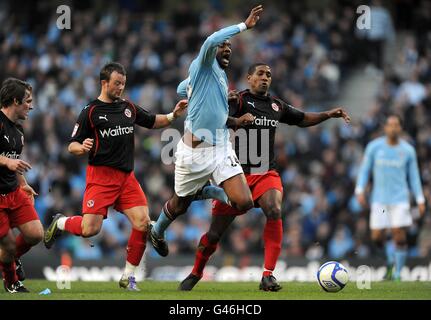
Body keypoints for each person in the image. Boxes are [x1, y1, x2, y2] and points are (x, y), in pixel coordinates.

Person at [178, 63, 351, 291]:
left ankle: (267, 275)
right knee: (214, 234)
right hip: (235, 174)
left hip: (265, 173)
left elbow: (302, 118)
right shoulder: (238, 100)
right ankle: (196, 272)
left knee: (274, 209)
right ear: (249, 78)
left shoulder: (276, 105)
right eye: (260, 73)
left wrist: (328, 114)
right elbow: (217, 119)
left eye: (269, 74)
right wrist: (234, 117)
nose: (265, 77)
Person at [43, 62, 188, 291]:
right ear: (104, 83)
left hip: (126, 178)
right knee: (90, 229)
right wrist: (82, 147)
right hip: (101, 177)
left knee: (142, 222)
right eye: (117, 83)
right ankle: (60, 222)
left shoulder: (127, 107)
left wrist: (173, 115)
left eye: (123, 83)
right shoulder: (90, 111)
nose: (121, 88)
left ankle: (129, 278)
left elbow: (151, 121)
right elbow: (71, 145)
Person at [149, 5, 263, 257]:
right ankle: (156, 231)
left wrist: (223, 107)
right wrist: (245, 26)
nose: (227, 49)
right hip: (193, 152)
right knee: (180, 205)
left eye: (230, 47)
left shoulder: (220, 77)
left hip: (220, 148)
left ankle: (208, 190)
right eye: (224, 46)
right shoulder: (202, 64)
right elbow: (211, 39)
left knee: (244, 202)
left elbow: (182, 90)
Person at [355, 114, 425, 281]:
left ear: (400, 128)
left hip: (400, 198)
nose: (393, 128)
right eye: (390, 125)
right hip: (379, 199)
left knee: (398, 233)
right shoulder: (374, 147)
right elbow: (365, 170)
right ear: (385, 128)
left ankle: (398, 273)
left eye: (396, 125)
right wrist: (359, 190)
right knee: (377, 237)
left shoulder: (408, 150)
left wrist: (420, 199)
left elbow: (414, 177)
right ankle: (389, 261)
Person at [0, 78, 44, 293]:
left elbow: (14, 163)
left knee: (36, 234)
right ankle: (11, 282)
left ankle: (11, 258)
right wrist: (6, 161)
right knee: (7, 245)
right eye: (28, 101)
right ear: (15, 100)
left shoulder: (18, 132)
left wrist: (24, 183)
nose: (31, 105)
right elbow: (9, 161)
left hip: (13, 191)